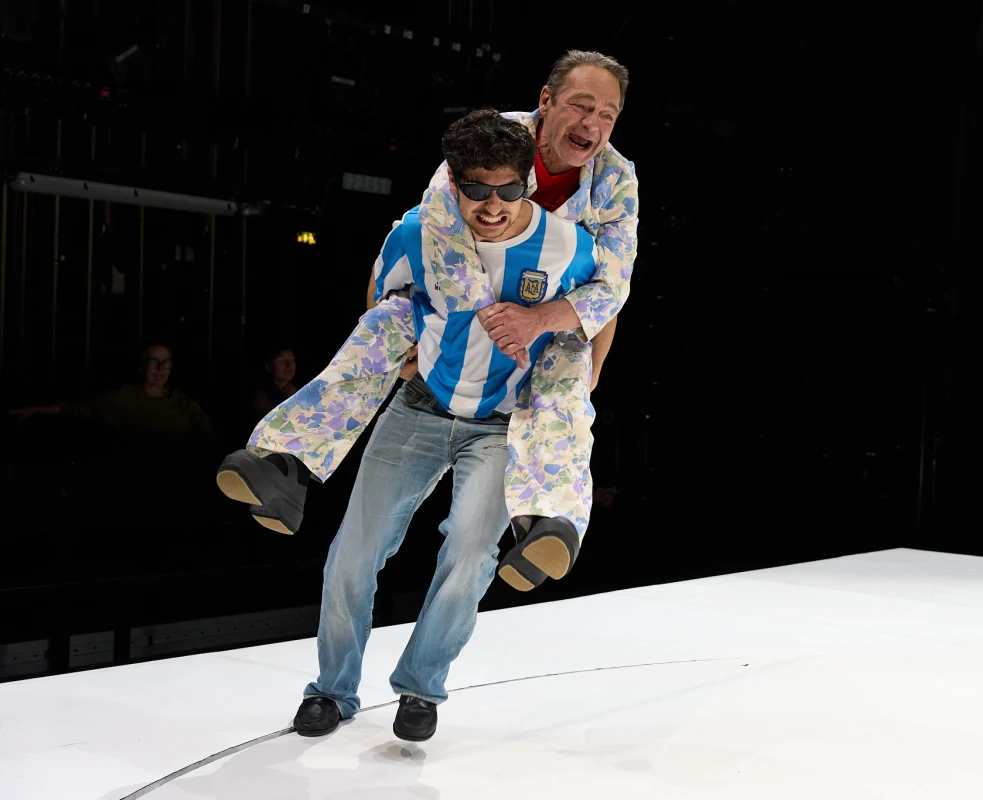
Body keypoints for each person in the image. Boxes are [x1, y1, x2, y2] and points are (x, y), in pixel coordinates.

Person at [216, 50, 636, 591]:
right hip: (459, 294)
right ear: (546, 101)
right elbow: (437, 230)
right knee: (386, 322)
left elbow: (613, 285)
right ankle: (285, 463)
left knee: (568, 376)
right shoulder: (490, 139)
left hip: (542, 316)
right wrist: (478, 324)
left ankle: (546, 520)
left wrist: (542, 330)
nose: (592, 123)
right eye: (581, 106)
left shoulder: (616, 179)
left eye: (607, 114)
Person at [290, 109, 602, 742]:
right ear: (454, 182)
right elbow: (382, 293)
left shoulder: (568, 246)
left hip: (501, 425)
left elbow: (604, 302)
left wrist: (587, 375)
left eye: (507, 189)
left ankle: (421, 686)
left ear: (527, 183)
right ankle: (331, 689)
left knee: (469, 553)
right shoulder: (419, 231)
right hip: (420, 407)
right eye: (477, 188)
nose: (492, 205)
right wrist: (400, 354)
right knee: (353, 553)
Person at [9, 343, 215, 447]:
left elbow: (208, 439)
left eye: (166, 363)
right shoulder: (123, 398)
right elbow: (76, 408)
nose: (160, 369)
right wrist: (35, 409)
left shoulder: (184, 403)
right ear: (142, 366)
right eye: (154, 363)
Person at [250, 346, 300, 420]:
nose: (288, 364)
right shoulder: (261, 396)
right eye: (281, 360)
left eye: (292, 359)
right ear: (269, 367)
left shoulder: (302, 389)